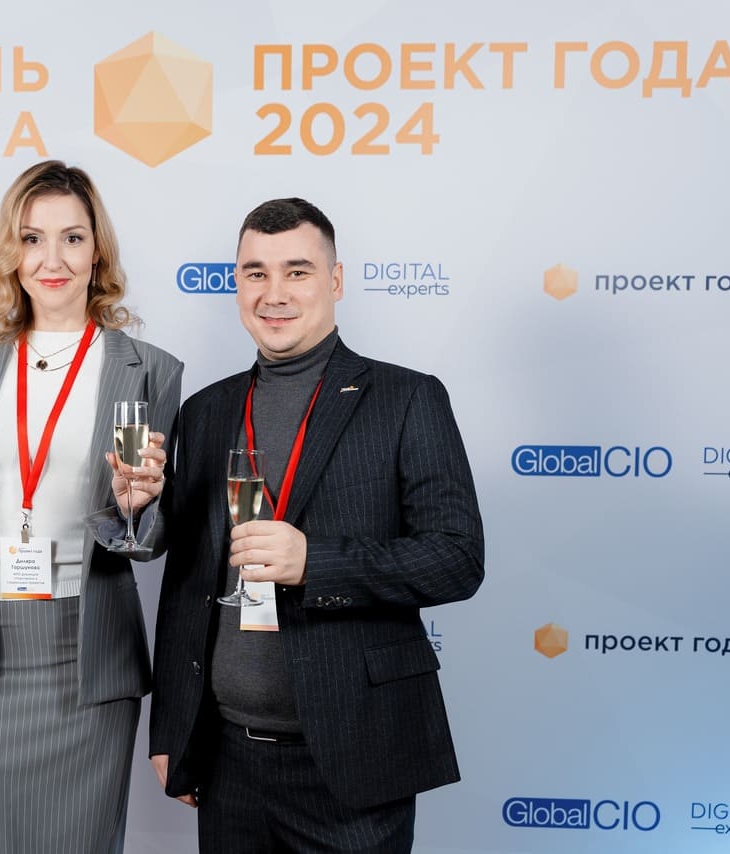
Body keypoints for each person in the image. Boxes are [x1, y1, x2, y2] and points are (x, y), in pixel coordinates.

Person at [149, 198, 483, 852]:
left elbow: (458, 558)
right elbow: (186, 583)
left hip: (353, 760)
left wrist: (315, 563)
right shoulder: (206, 410)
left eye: (297, 272)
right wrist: (171, 730)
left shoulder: (407, 398)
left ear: (335, 281)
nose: (274, 293)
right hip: (226, 761)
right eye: (256, 273)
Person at [0, 160, 183, 853]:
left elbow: (145, 539)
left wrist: (134, 507)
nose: (52, 259)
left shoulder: (149, 371)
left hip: (86, 658)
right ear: (13, 252)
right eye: (33, 238)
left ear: (97, 251)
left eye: (72, 237)